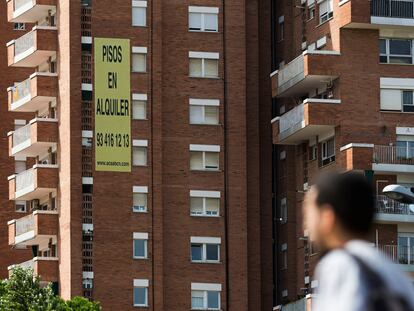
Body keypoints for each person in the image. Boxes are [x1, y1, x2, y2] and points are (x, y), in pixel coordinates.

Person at [303, 171, 414, 311]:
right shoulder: (394, 272)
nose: (306, 225)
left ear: (327, 218)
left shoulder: (339, 264)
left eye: (309, 216)